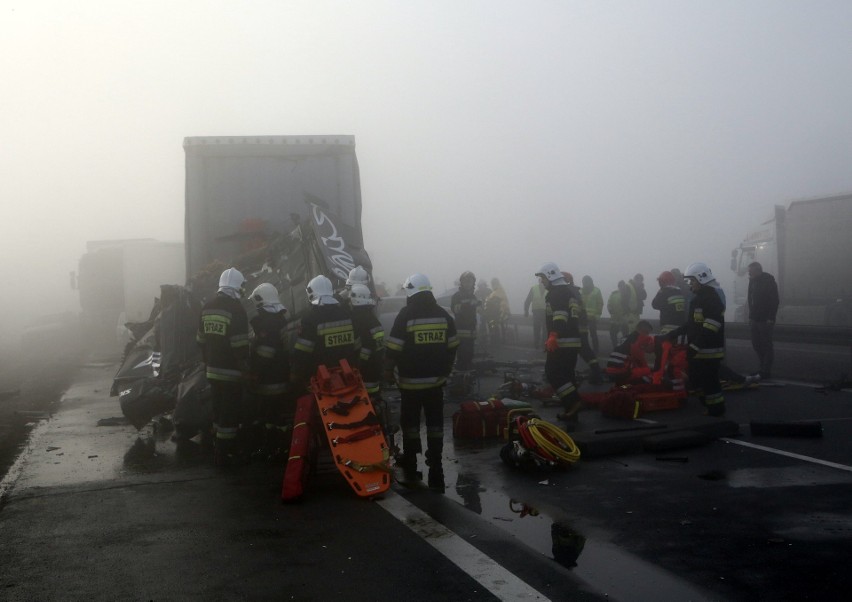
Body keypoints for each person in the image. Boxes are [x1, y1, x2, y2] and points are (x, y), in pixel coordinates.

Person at [384, 273, 458, 492]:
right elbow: (453, 346)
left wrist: (388, 371)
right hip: (436, 382)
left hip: (410, 384)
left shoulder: (406, 315)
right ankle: (435, 457)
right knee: (435, 422)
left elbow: (394, 348)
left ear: (410, 291)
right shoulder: (443, 315)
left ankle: (411, 459)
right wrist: (445, 370)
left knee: (411, 423)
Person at [197, 267, 250, 466]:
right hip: (231, 373)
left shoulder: (207, 307)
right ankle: (225, 454)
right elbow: (240, 346)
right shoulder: (237, 309)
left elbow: (200, 340)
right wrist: (246, 371)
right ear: (238, 286)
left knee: (218, 412)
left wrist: (208, 362)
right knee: (230, 415)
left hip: (212, 370)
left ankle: (217, 449)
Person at [666, 262, 726, 417]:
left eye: (692, 281)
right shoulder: (699, 298)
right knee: (696, 380)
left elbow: (711, 326)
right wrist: (672, 334)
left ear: (701, 279)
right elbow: (692, 324)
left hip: (708, 351)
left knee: (710, 382)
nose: (690, 284)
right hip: (699, 350)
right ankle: (708, 406)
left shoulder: (711, 298)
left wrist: (696, 345)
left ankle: (716, 410)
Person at [291, 275, 360, 390]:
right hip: (348, 376)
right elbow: (357, 346)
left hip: (321, 381)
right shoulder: (347, 314)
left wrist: (296, 373)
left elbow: (302, 354)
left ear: (311, 292)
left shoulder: (310, 318)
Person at [246, 282, 291, 460]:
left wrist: (254, 372)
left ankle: (274, 448)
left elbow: (266, 352)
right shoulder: (280, 318)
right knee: (278, 415)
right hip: (281, 373)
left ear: (260, 301)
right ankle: (281, 447)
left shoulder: (268, 323)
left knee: (270, 416)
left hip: (270, 378)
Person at [535, 262, 583, 426]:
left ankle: (574, 401)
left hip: (562, 342)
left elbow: (560, 316)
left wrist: (554, 335)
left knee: (553, 373)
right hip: (572, 341)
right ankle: (572, 411)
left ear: (550, 276)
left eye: (542, 278)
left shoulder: (556, 293)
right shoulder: (568, 292)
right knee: (567, 375)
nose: (541, 282)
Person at [347, 283, 390, 438]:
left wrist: (358, 366)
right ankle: (382, 433)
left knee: (363, 406)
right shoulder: (373, 320)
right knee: (375, 401)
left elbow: (365, 348)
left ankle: (371, 436)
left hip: (364, 371)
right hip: (376, 369)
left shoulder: (358, 321)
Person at [564, 272, 602, 384]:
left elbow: (570, 310)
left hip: (576, 326)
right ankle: (596, 372)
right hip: (582, 324)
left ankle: (570, 377)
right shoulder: (576, 291)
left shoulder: (568, 292)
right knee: (584, 350)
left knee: (572, 351)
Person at [605, 320, 655, 385]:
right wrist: (651, 371)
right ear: (643, 331)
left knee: (635, 366)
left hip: (610, 370)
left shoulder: (626, 337)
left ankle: (623, 386)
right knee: (648, 373)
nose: (647, 335)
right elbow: (641, 361)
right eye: (647, 333)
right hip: (621, 373)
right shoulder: (637, 341)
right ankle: (629, 386)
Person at [451, 271, 480, 371]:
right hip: (461, 331)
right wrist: (469, 303)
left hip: (471, 331)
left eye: (470, 281)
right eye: (465, 281)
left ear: (473, 283)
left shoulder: (474, 296)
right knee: (462, 356)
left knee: (470, 356)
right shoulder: (457, 296)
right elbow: (456, 309)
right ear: (461, 283)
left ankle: (467, 378)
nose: (467, 283)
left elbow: (474, 313)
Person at [581, 276, 603, 356]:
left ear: (590, 282)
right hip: (583, 318)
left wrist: (597, 315)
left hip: (592, 317)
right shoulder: (580, 291)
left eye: (586, 282)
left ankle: (595, 350)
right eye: (583, 282)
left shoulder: (596, 291)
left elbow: (600, 304)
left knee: (593, 334)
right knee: (583, 335)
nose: (584, 284)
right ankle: (584, 349)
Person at [485, 278, 511, 344]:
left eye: (493, 283)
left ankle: (497, 340)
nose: (492, 285)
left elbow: (497, 301)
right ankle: (498, 340)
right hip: (498, 313)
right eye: (492, 283)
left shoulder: (498, 291)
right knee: (496, 325)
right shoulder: (498, 290)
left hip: (500, 312)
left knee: (496, 325)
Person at [524, 279, 547, 349]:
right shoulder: (534, 289)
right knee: (537, 328)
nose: (542, 282)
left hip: (545, 312)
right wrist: (526, 311)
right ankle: (536, 344)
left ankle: (544, 344)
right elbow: (528, 300)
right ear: (539, 281)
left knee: (545, 329)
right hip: (536, 312)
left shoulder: (549, 289)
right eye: (541, 280)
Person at [607, 283, 627, 349]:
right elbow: (609, 303)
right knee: (612, 334)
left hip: (624, 320)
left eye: (623, 286)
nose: (622, 288)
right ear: (618, 287)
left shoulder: (628, 294)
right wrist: (610, 309)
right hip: (614, 319)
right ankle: (615, 347)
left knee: (625, 335)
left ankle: (624, 348)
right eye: (620, 286)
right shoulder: (614, 294)